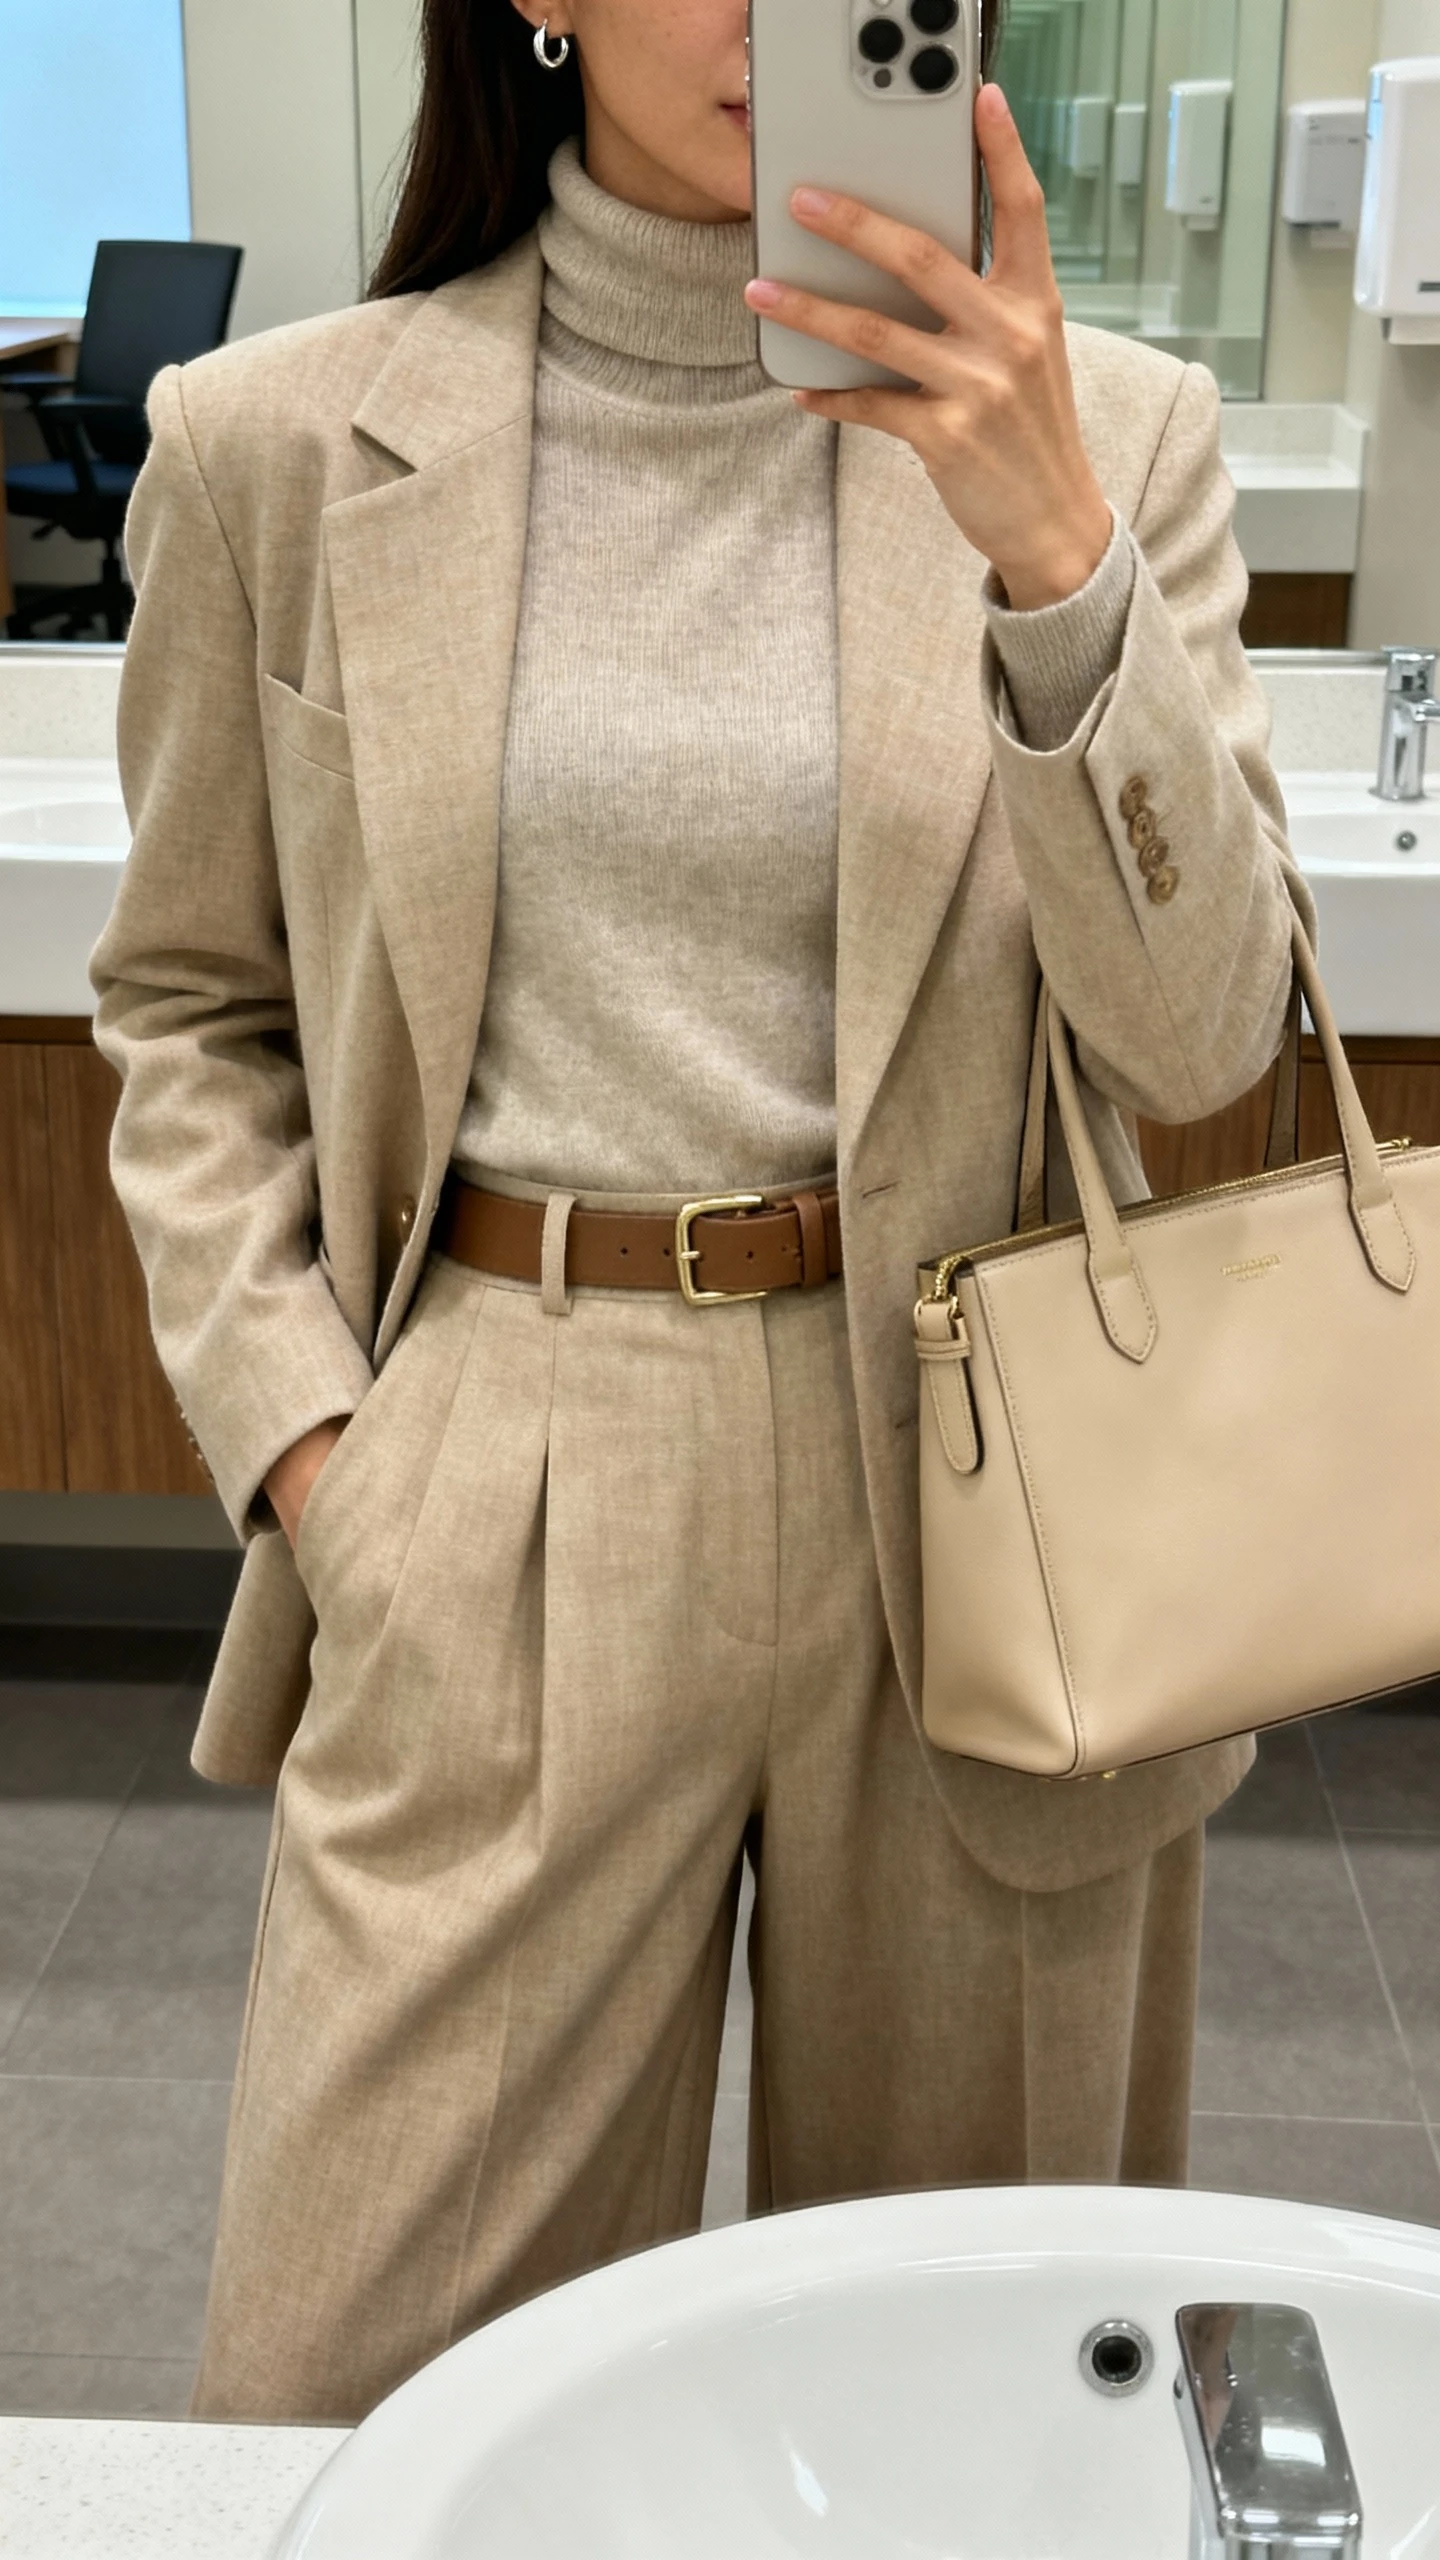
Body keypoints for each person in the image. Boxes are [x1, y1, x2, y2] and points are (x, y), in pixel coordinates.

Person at [90, 0, 1308, 2428]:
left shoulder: (1112, 434)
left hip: (992, 1478)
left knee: (968, 2402)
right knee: (365, 2390)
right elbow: (190, 1005)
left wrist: (1053, 553)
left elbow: (1205, 1045)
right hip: (509, 1467)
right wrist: (322, 1454)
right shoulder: (280, 442)